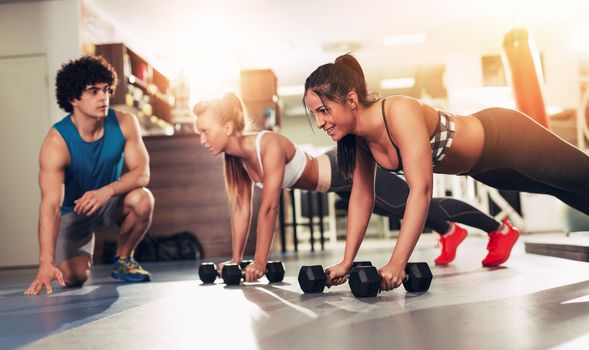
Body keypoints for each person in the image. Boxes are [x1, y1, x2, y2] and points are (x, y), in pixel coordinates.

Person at [303, 53, 589, 292]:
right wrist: (346, 261)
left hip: (506, 137)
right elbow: (362, 197)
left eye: (324, 110)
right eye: (315, 114)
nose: (320, 122)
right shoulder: (360, 142)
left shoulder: (398, 111)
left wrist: (397, 262)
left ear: (351, 100)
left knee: (582, 178)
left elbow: (422, 190)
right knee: (559, 188)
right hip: (484, 169)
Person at [192, 92, 516, 283]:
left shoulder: (269, 145)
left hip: (341, 170)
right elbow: (241, 209)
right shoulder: (236, 162)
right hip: (338, 187)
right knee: (402, 207)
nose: (202, 140)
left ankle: (498, 229)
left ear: (228, 126)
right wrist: (236, 262)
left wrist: (259, 263)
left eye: (205, 131)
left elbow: (269, 207)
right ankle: (449, 231)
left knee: (414, 205)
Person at [24, 56, 154, 296]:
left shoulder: (125, 122)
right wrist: (45, 262)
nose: (103, 97)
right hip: (74, 212)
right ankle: (81, 253)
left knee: (142, 199)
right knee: (74, 277)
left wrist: (106, 191)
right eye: (93, 91)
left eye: (105, 90)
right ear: (73, 98)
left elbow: (142, 173)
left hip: (109, 202)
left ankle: (124, 259)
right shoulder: (57, 141)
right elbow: (50, 206)